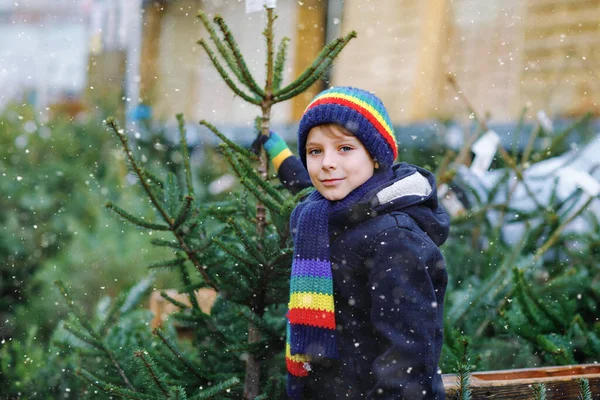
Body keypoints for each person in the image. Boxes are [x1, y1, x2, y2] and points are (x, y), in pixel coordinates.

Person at [260, 86, 450, 399]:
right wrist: (279, 153)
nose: (327, 163)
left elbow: (406, 360)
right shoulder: (325, 211)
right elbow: (305, 182)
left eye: (345, 148)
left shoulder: (394, 239)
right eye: (315, 151)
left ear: (376, 157)